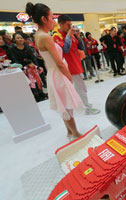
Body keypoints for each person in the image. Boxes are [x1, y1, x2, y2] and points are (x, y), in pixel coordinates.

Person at [26, 2, 82, 139]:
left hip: (53, 73)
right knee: (67, 106)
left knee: (63, 104)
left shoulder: (39, 35)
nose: (54, 20)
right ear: (44, 19)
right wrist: (68, 77)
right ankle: (76, 134)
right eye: (52, 17)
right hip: (58, 73)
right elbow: (59, 63)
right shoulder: (45, 37)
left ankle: (69, 132)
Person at [53, 14, 100, 115]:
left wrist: (78, 37)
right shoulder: (57, 36)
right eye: (68, 25)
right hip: (69, 67)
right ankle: (86, 108)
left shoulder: (71, 34)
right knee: (80, 88)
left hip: (77, 64)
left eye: (71, 25)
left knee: (80, 88)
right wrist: (70, 34)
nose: (70, 27)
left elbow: (81, 47)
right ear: (60, 24)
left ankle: (83, 105)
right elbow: (65, 49)